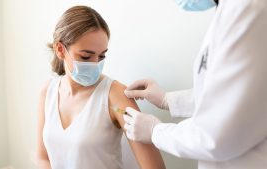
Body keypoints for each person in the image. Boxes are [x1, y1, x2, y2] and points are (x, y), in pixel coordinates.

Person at [123, 0, 267, 169]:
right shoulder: (231, 11)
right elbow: (233, 93)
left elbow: (216, 136)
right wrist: (167, 100)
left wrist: (156, 131)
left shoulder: (248, 9)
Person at [37, 5, 166, 169]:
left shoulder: (116, 95)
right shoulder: (47, 92)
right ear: (60, 49)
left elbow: (154, 167)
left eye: (102, 56)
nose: (95, 64)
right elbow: (43, 157)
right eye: (86, 56)